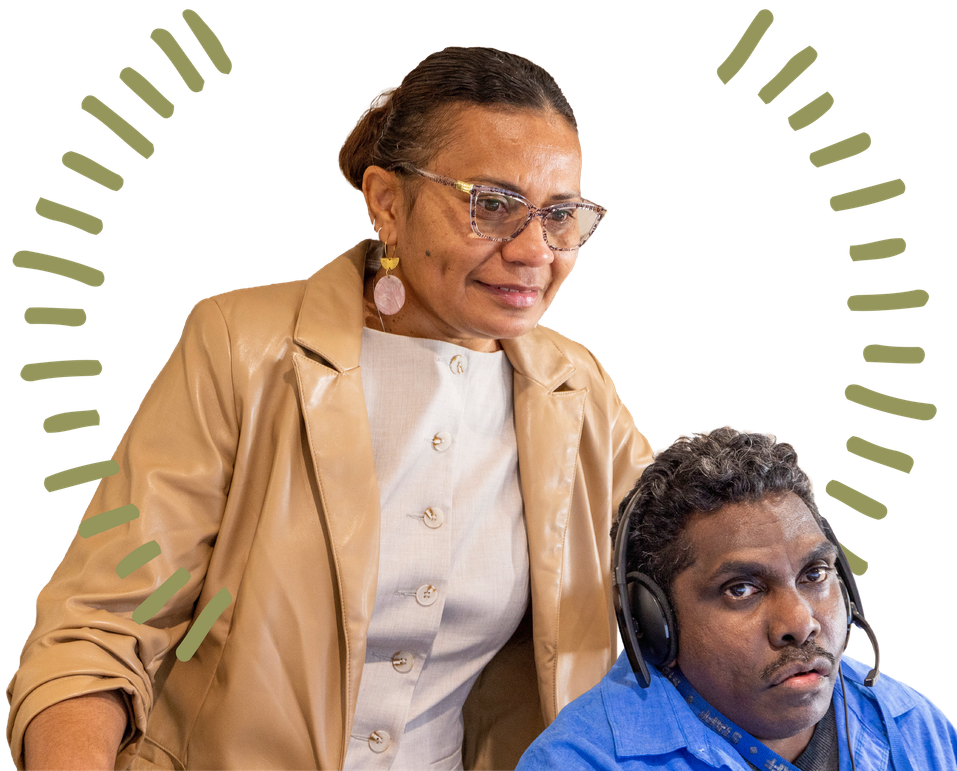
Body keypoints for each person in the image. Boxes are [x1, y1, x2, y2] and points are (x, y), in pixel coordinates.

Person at [5, 46, 653, 770]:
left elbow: (698, 570)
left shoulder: (576, 387)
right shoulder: (239, 346)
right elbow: (98, 628)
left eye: (561, 215)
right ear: (386, 202)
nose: (536, 250)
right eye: (492, 205)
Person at [516, 426, 957, 770]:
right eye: (742, 590)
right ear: (654, 624)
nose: (800, 622)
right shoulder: (579, 762)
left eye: (815, 573)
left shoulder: (915, 728)